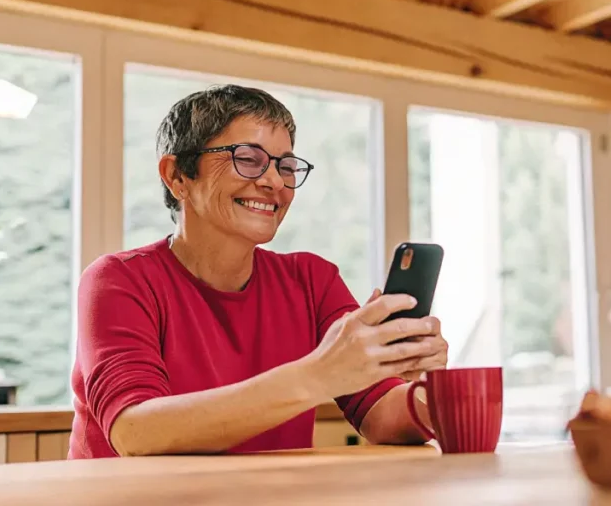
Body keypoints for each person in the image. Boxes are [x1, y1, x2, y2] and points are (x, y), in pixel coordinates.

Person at [67, 85, 448, 458]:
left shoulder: (312, 281)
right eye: (247, 159)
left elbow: (383, 417)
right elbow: (136, 432)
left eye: (286, 166)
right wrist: (319, 374)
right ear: (177, 175)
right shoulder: (119, 280)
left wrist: (429, 392)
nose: (275, 182)